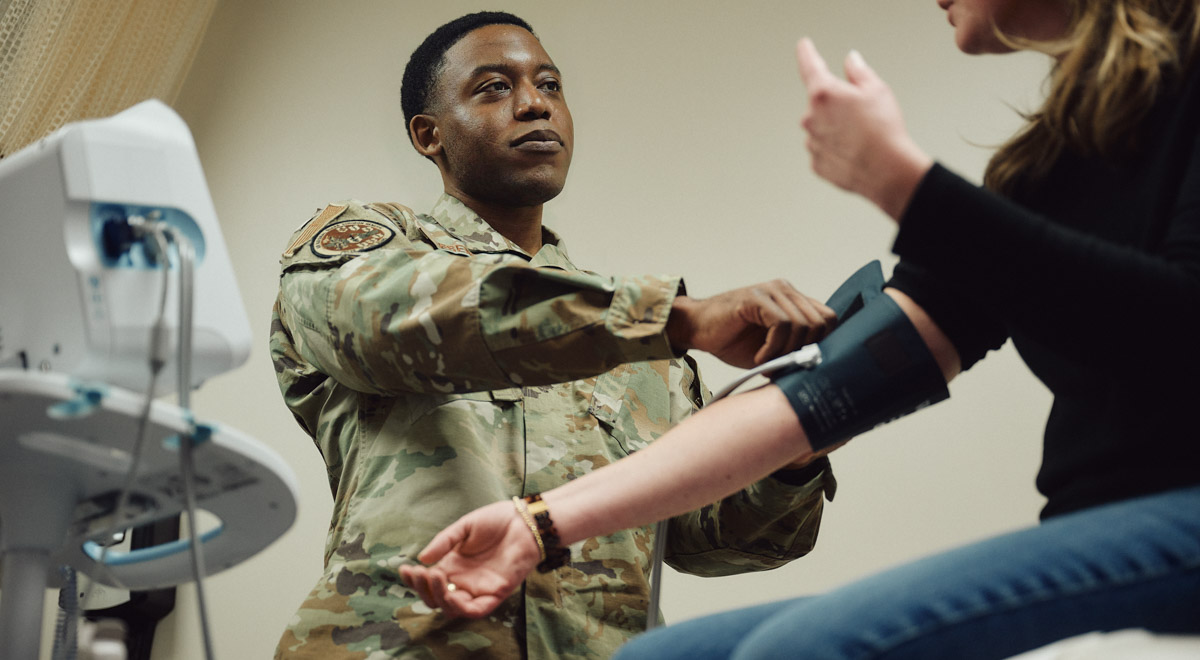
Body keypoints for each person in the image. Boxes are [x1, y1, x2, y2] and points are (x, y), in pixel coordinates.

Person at [400, 1, 1200, 657]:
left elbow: (1176, 330)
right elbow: (835, 386)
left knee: (802, 651)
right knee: (657, 659)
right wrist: (541, 524)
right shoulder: (1047, 167)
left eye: (547, 82)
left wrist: (907, 189)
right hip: (1101, 528)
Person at [268, 11, 841, 659]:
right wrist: (671, 317)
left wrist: (796, 449)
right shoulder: (368, 247)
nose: (535, 103)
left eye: (550, 84)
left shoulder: (647, 354)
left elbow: (711, 538)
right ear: (429, 136)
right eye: (494, 87)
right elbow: (391, 323)